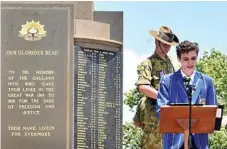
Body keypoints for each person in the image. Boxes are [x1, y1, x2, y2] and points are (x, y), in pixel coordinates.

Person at [156, 40, 218, 149]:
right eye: (186, 59)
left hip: (200, 143)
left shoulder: (207, 82)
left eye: (193, 58)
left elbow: (215, 114)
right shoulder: (167, 81)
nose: (190, 63)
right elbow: (160, 112)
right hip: (174, 143)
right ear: (179, 59)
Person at [133, 26, 179, 149]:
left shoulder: (173, 63)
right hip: (154, 120)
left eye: (169, 44)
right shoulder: (148, 63)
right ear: (156, 41)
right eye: (164, 44)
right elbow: (143, 86)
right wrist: (163, 97)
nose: (167, 47)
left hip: (171, 118)